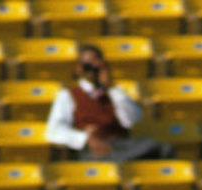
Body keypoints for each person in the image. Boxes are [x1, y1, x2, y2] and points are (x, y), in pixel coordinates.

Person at [45, 43, 175, 162]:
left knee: (162, 148)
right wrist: (85, 138)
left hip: (121, 144)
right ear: (78, 68)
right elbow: (54, 130)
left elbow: (132, 121)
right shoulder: (69, 95)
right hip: (92, 150)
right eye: (87, 65)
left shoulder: (115, 93)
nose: (92, 70)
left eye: (96, 65)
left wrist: (111, 87)